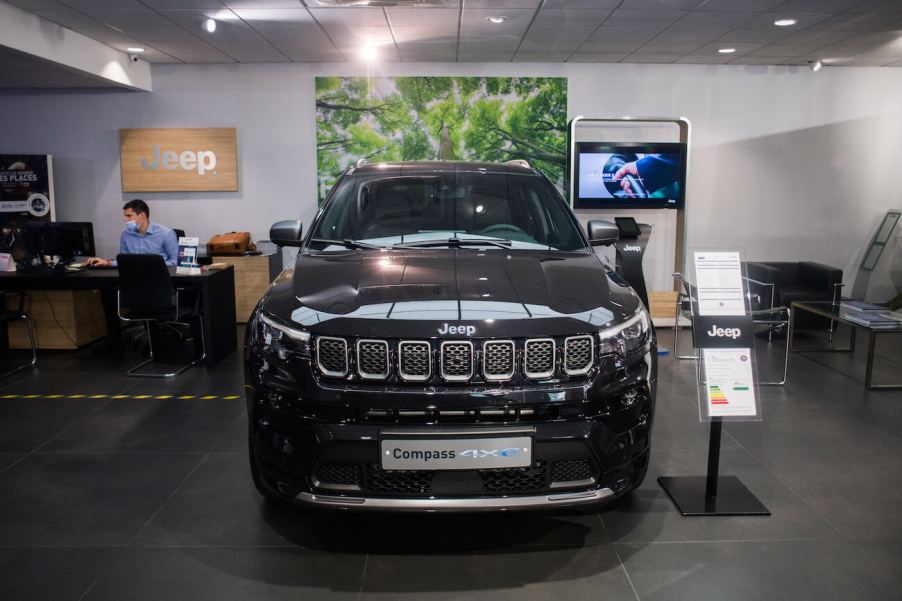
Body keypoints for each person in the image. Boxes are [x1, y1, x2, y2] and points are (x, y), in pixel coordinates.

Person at [87, 199, 178, 267]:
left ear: (142, 216)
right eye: (125, 216)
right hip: (134, 279)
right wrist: (107, 263)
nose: (125, 220)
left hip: (159, 278)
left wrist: (151, 265)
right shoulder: (126, 235)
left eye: (129, 216)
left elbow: (175, 261)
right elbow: (125, 261)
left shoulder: (166, 233)